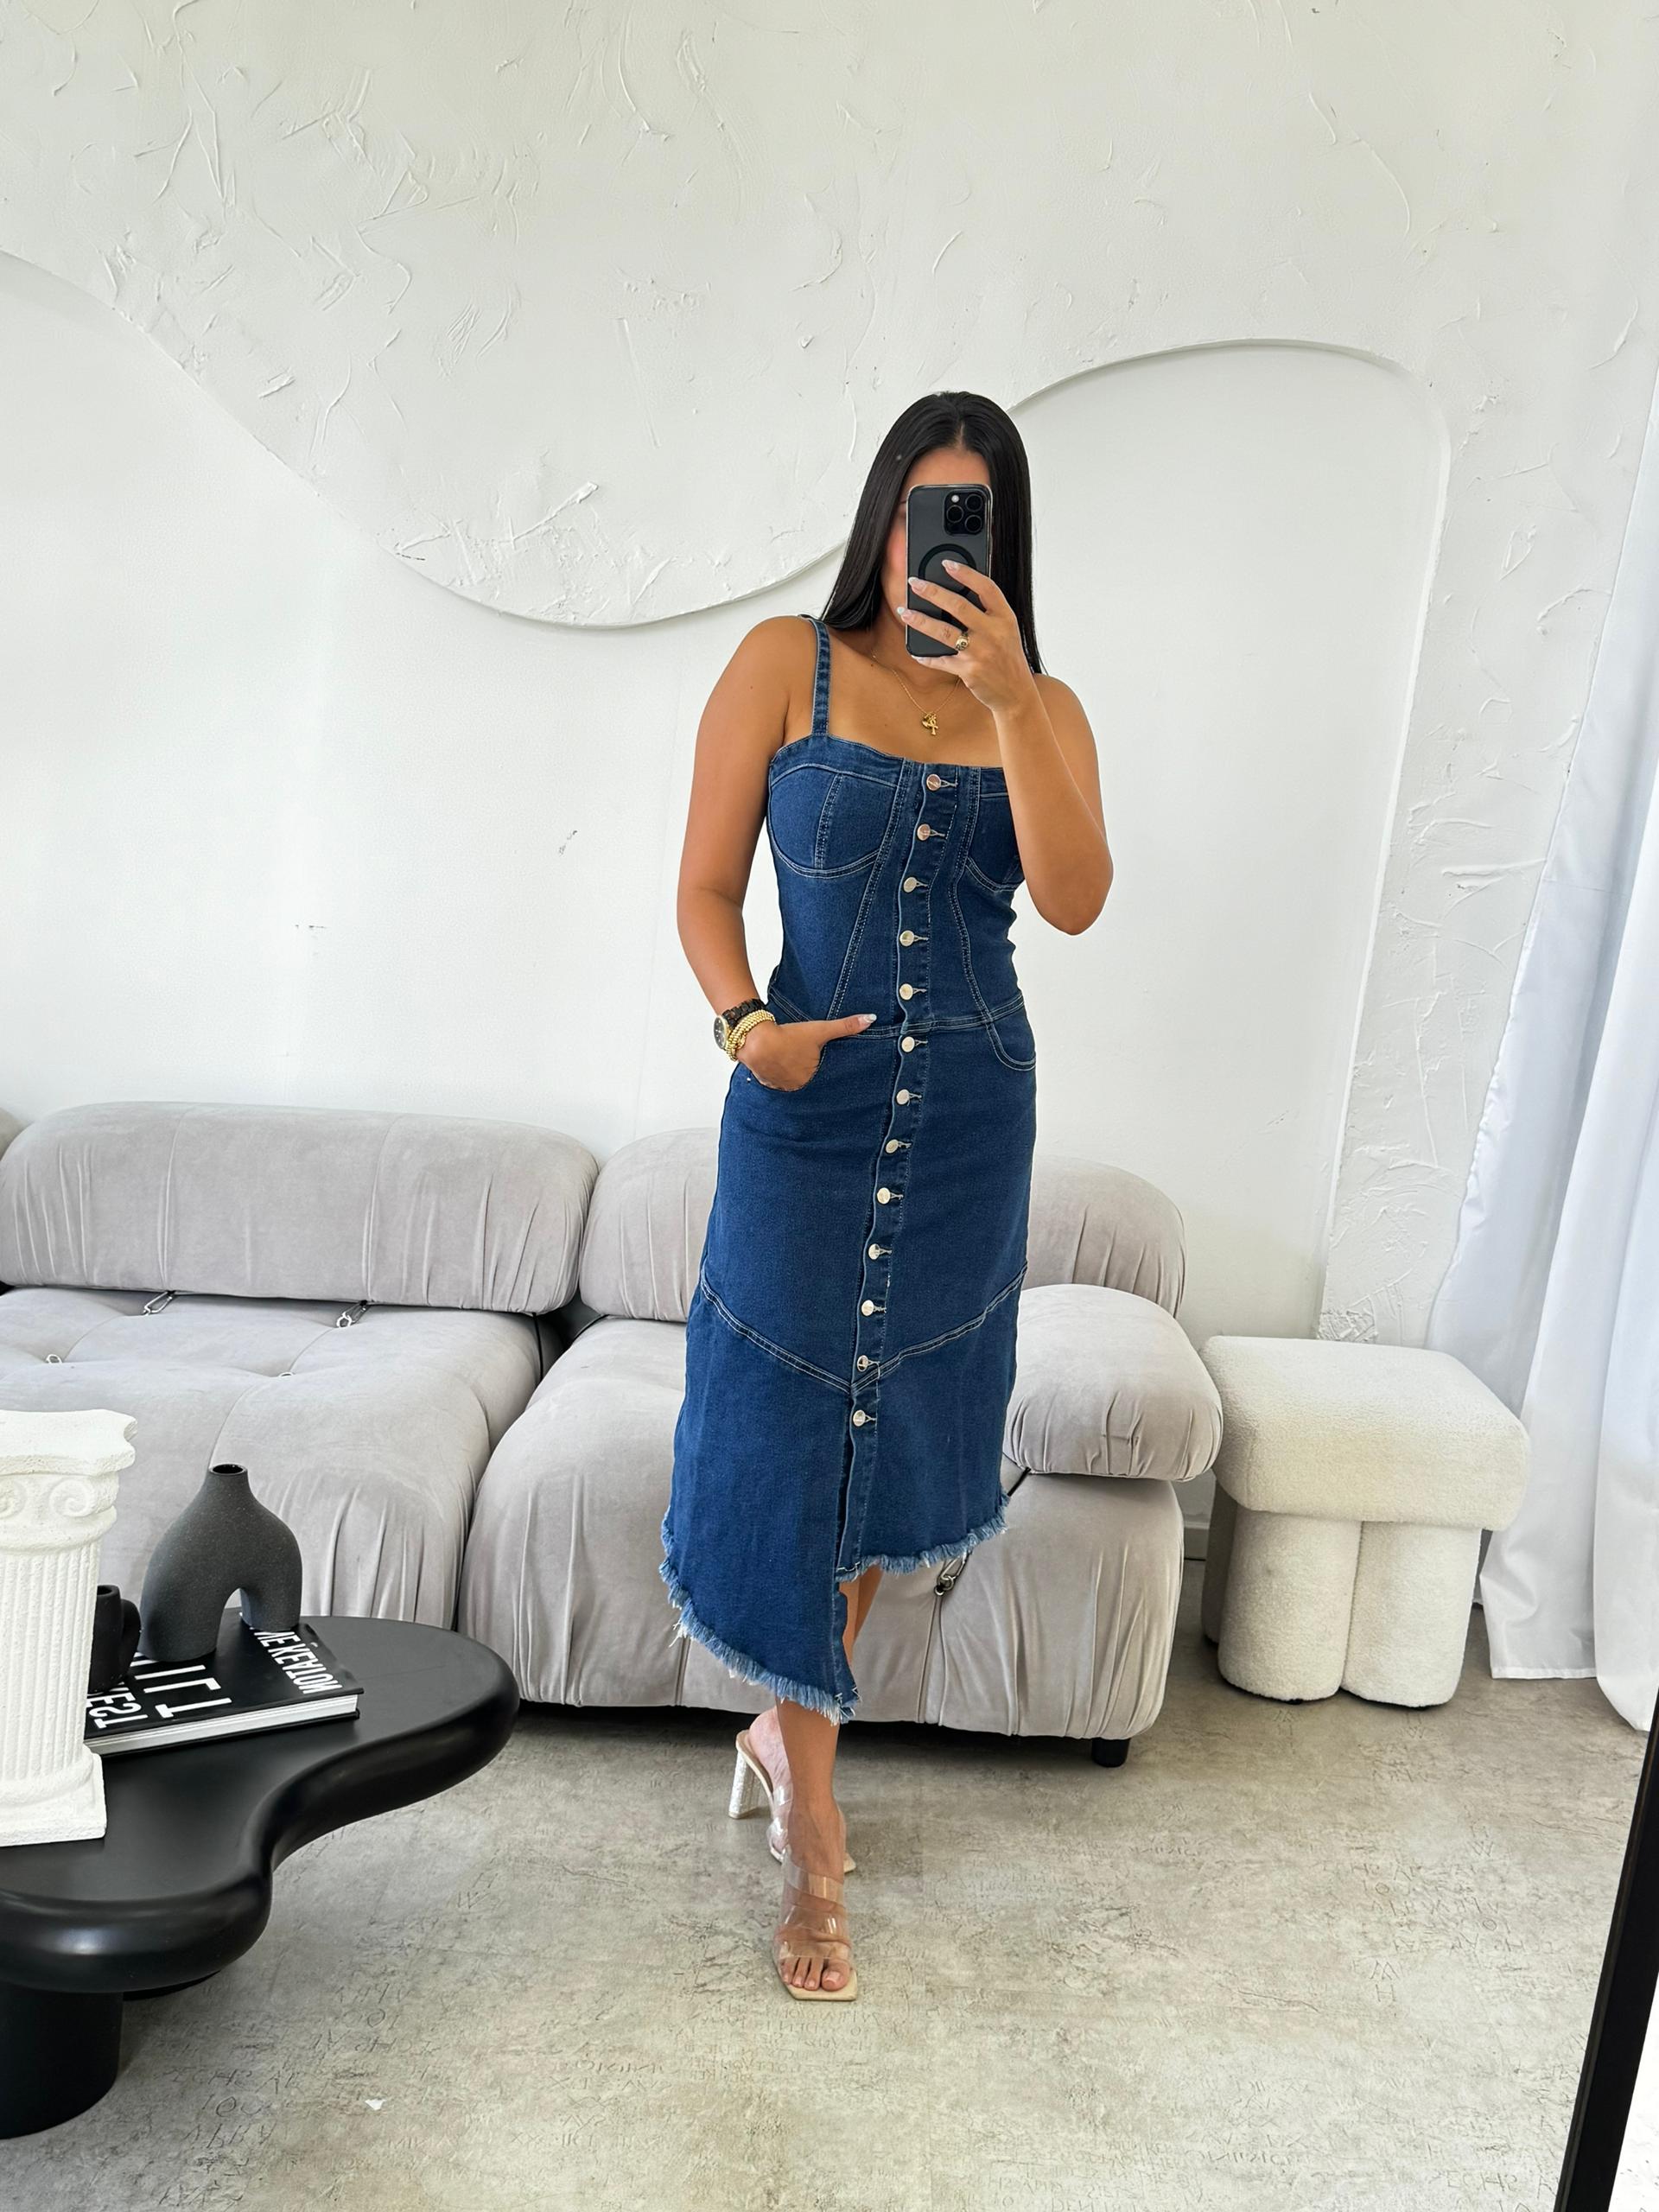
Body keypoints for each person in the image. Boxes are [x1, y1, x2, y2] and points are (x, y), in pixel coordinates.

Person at [662, 391, 1114, 1999]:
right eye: (927, 508)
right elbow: (704, 887)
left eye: (972, 517)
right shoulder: (780, 665)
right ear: (883, 516)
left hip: (971, 1124)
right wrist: (747, 1030)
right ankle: (817, 1826)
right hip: (805, 1112)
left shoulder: (1041, 702)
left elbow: (1075, 899)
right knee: (786, 1437)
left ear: (1005, 537)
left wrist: (1013, 698)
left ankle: (789, 1746)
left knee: (889, 1438)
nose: (943, 545)